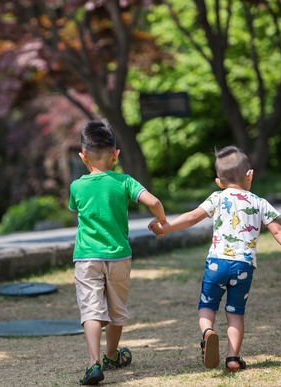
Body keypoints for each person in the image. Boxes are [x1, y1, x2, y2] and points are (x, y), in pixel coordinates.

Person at [148, 145, 281, 372]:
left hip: (217, 263)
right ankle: (233, 358)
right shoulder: (259, 202)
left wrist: (166, 227)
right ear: (250, 175)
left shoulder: (217, 198)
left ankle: (208, 332)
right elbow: (278, 230)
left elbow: (192, 218)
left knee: (207, 305)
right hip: (244, 266)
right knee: (235, 313)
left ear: (219, 182)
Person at [69, 119, 167, 385]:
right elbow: (154, 201)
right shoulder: (124, 181)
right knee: (115, 311)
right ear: (116, 154)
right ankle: (112, 354)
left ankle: (94, 364)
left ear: (82, 156)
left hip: (87, 257)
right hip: (119, 257)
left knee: (91, 311)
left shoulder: (77, 186)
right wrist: (162, 223)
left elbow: (77, 209)